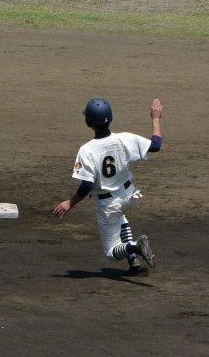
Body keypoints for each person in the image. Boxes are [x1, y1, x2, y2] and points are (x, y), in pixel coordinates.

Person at [53, 97, 163, 274]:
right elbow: (156, 145)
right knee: (120, 219)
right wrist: (156, 118)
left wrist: (70, 203)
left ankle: (135, 248)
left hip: (108, 204)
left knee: (111, 253)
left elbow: (87, 185)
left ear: (88, 122)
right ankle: (134, 263)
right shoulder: (124, 139)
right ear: (110, 118)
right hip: (129, 195)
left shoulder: (87, 150)